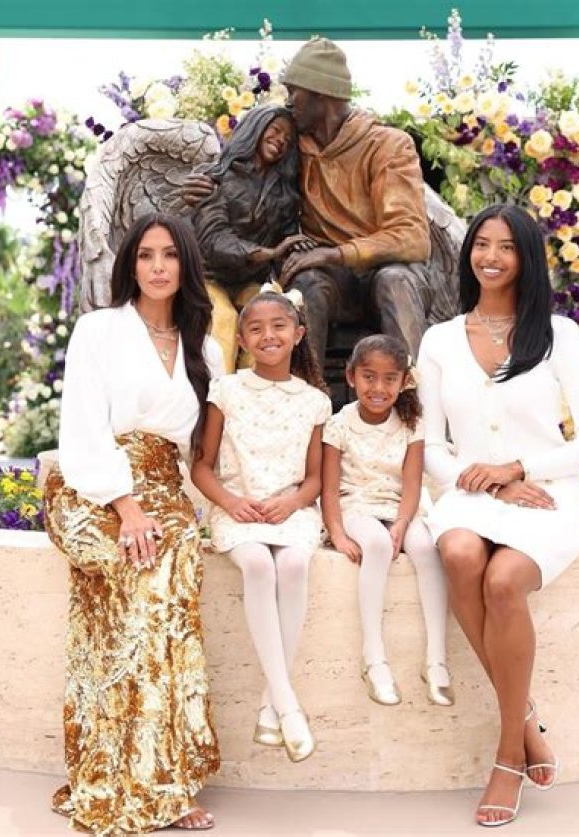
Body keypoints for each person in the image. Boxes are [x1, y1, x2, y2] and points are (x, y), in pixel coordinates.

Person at [417, 204, 579, 827]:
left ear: (526, 258)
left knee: (503, 582)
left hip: (545, 495)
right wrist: (487, 485)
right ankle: (523, 720)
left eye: (506, 247)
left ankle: (506, 757)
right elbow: (430, 444)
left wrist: (519, 470)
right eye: (481, 244)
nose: (491, 257)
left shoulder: (560, 336)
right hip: (469, 493)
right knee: (460, 554)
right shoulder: (440, 339)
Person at [44, 213, 224, 833]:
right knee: (137, 570)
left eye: (169, 255)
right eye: (145, 255)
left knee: (168, 580)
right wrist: (125, 506)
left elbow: (210, 445)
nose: (156, 266)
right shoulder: (99, 329)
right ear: (130, 264)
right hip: (92, 485)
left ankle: (163, 777)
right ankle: (123, 773)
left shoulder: (205, 346)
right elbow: (84, 427)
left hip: (165, 489)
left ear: (185, 265)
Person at [183, 37, 459, 365]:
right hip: (330, 279)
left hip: (386, 271)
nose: (288, 104)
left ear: (320, 94)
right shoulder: (293, 146)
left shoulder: (388, 145)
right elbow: (244, 170)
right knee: (306, 282)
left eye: (293, 93)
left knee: (394, 281)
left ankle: (412, 396)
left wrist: (333, 253)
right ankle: (305, 398)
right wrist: (205, 183)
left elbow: (412, 238)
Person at [191, 289, 331, 763]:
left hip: (291, 513)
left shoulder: (315, 402)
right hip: (237, 509)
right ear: (244, 341)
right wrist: (231, 501)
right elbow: (203, 467)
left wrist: (291, 502)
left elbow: (314, 479)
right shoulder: (226, 391)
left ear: (298, 334)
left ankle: (272, 708)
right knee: (257, 566)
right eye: (255, 328)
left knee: (293, 566)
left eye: (278, 326)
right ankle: (286, 707)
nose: (268, 335)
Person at [321, 334, 453, 708]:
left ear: (403, 381)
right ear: (351, 377)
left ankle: (437, 659)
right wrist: (337, 533)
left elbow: (412, 484)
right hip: (355, 505)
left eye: (389, 379)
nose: (378, 388)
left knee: (426, 547)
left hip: (399, 505)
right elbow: (329, 490)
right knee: (377, 546)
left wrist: (401, 523)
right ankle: (374, 658)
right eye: (368, 377)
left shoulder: (412, 423)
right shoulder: (339, 424)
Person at [191, 105, 313, 372]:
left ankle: (258, 398)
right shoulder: (217, 177)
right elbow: (214, 240)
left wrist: (296, 254)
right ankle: (219, 402)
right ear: (256, 128)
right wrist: (268, 253)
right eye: (275, 131)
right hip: (208, 278)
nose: (280, 140)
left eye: (287, 140)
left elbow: (288, 241)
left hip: (250, 280)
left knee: (268, 318)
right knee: (224, 319)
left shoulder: (284, 195)